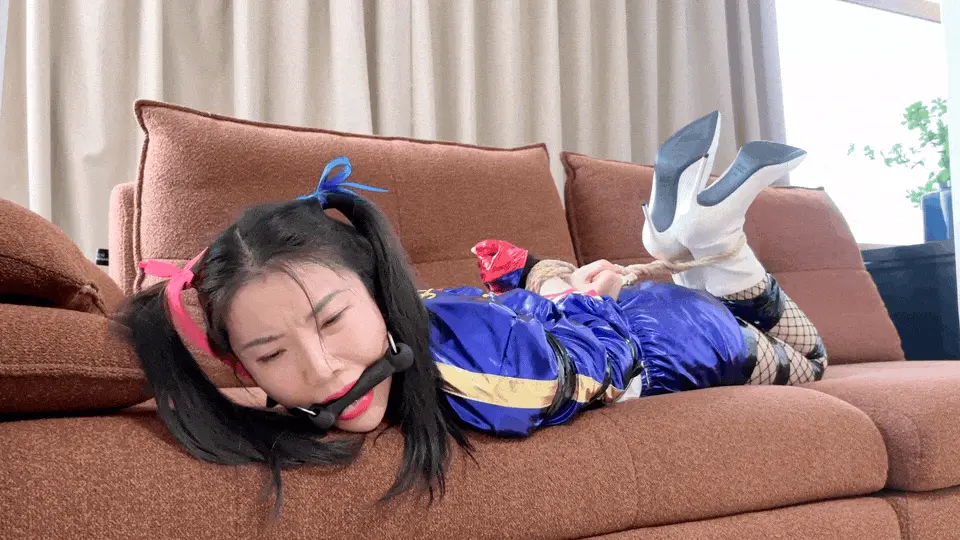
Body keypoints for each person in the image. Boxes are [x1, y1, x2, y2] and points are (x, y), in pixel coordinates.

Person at [116, 111, 826, 514]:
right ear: (243, 366)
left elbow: (583, 364)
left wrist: (579, 298)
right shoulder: (414, 320)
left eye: (331, 321)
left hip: (672, 340)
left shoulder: (491, 380)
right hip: (621, 311)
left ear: (378, 294)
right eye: (272, 354)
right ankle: (706, 241)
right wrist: (547, 283)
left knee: (812, 360)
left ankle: (719, 244)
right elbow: (507, 316)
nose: (322, 368)